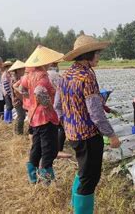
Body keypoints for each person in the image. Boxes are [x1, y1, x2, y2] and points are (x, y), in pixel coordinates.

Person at [60, 34, 121, 214]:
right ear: (89, 55)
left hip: (71, 132)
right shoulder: (87, 76)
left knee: (83, 170)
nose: (99, 57)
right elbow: (95, 113)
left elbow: (59, 104)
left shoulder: (67, 74)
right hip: (87, 135)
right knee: (90, 179)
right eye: (97, 54)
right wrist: (111, 135)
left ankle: (74, 204)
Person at [21, 46, 63, 185]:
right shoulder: (42, 75)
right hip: (45, 117)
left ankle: (33, 175)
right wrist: (48, 106)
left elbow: (22, 89)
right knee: (49, 148)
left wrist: (31, 102)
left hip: (34, 116)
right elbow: (39, 91)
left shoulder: (29, 75)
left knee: (37, 146)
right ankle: (46, 178)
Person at [47, 62, 72, 159]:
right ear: (54, 65)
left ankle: (52, 147)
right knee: (61, 128)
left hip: (48, 104)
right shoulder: (56, 76)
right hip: (56, 104)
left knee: (52, 127)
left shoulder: (45, 75)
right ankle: (58, 150)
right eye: (56, 64)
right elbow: (61, 91)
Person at [8, 60, 26, 135]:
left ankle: (17, 131)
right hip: (18, 100)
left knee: (21, 116)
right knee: (21, 116)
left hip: (19, 99)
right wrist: (23, 100)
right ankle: (18, 133)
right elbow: (16, 92)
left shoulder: (18, 77)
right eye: (22, 69)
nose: (24, 70)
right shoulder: (15, 78)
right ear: (18, 70)